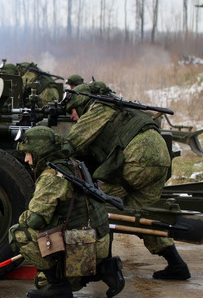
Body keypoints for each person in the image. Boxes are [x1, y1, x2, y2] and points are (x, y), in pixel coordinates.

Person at [64, 82, 191, 280]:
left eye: (72, 111)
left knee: (99, 206)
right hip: (159, 157)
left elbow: (72, 142)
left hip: (138, 159)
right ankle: (177, 264)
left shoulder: (98, 109)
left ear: (81, 103)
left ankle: (104, 267)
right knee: (143, 214)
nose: (72, 116)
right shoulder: (119, 106)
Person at [10, 126, 125, 298]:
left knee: (19, 233)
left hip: (82, 244)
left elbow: (35, 220)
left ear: (39, 151)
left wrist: (23, 217)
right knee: (41, 282)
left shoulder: (51, 176)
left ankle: (58, 286)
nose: (26, 159)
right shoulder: (72, 164)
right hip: (97, 241)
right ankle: (106, 269)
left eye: (28, 153)